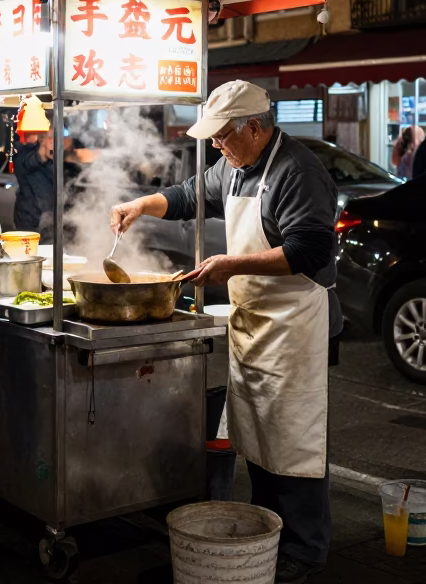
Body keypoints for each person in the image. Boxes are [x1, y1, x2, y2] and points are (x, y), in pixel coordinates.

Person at [111, 80, 338, 584]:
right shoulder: (236, 167)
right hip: (254, 323)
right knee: (256, 433)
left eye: (223, 137)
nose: (217, 145)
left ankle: (306, 548)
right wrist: (142, 205)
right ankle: (268, 529)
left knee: (292, 441)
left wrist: (231, 265)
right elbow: (191, 195)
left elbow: (310, 250)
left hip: (294, 325)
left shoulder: (297, 171)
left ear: (254, 128)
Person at [13, 131, 55, 242]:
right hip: (28, 219)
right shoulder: (23, 153)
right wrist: (42, 152)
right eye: (50, 138)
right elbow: (28, 162)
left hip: (50, 219)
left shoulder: (54, 161)